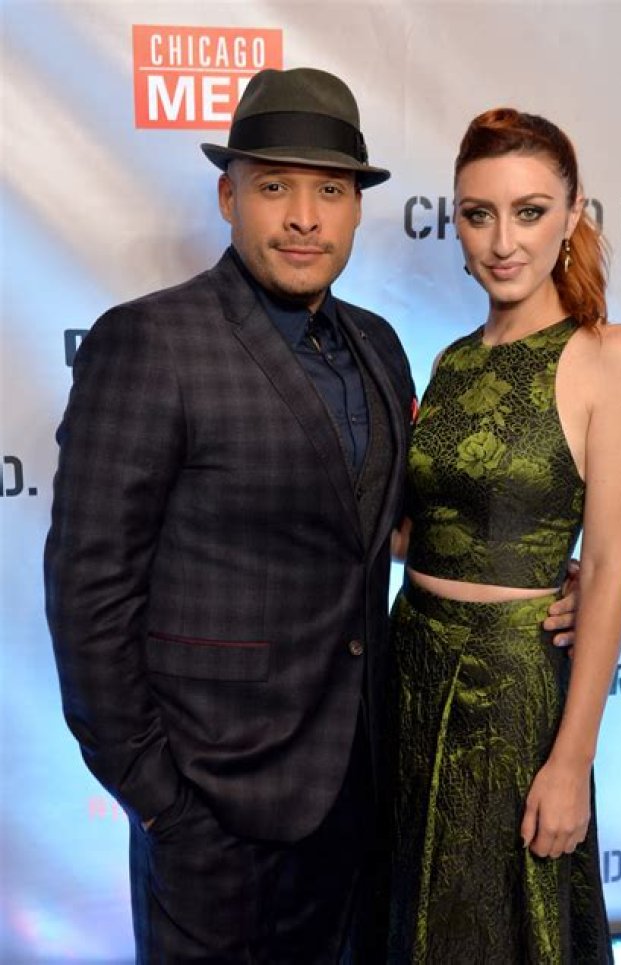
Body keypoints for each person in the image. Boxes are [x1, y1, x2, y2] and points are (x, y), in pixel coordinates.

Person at [44, 70, 578, 962]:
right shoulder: (150, 342)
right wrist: (162, 803)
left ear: (357, 209)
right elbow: (87, 598)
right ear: (229, 197)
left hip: (366, 797)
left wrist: (536, 573)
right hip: (214, 815)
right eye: (275, 187)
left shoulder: (378, 345)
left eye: (330, 191)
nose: (304, 218)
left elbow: (399, 526)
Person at [388, 108, 621, 963]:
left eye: (530, 211)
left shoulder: (614, 356)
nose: (502, 242)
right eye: (479, 214)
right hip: (407, 672)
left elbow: (609, 568)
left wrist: (571, 760)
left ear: (574, 213)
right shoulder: (450, 361)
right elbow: (418, 533)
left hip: (512, 697)